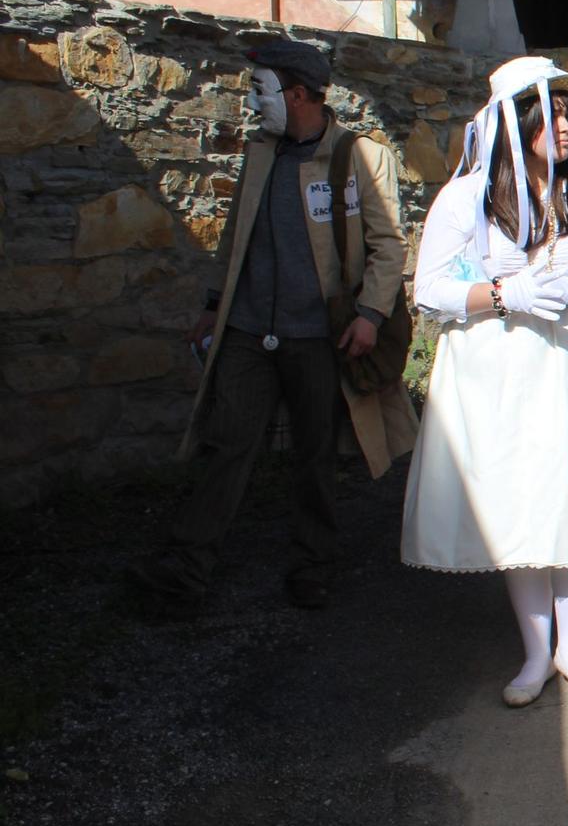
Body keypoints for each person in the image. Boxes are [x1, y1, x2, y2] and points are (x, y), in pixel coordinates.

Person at [129, 40, 414, 612]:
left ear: (300, 94)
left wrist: (370, 315)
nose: (253, 104)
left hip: (319, 337)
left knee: (314, 455)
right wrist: (214, 304)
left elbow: (388, 245)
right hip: (248, 332)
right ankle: (184, 572)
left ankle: (314, 565)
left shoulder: (361, 156)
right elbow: (235, 235)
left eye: (262, 90)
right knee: (227, 444)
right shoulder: (260, 153)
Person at [402, 58, 568, 708]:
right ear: (520, 120)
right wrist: (504, 292)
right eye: (552, 112)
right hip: (501, 375)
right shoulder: (466, 199)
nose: (566, 125)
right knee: (525, 507)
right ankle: (537, 650)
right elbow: (431, 290)